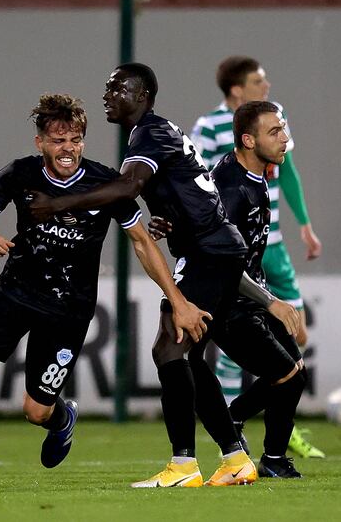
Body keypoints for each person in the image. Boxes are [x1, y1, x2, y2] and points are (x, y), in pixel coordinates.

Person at [0, 93, 210, 491]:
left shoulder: (107, 184)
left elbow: (141, 242)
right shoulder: (18, 174)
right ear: (40, 143)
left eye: (75, 140)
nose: (67, 149)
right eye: (57, 140)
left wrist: (179, 301)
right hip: (14, 293)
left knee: (35, 411)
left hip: (68, 311)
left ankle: (62, 418)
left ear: (83, 141)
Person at [27, 63, 299, 488]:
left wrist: (59, 205)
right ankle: (234, 459)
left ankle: (185, 466)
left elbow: (126, 188)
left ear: (141, 95)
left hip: (210, 254)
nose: (107, 94)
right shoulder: (154, 132)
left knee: (170, 351)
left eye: (116, 87)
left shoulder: (149, 133)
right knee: (185, 355)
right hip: (215, 251)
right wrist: (170, 218)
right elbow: (188, 187)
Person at [151, 101, 309, 478]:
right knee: (285, 376)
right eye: (275, 132)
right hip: (230, 300)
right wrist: (271, 302)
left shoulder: (252, 177)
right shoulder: (231, 188)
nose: (285, 138)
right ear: (248, 140)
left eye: (283, 129)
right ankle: (232, 449)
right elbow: (219, 257)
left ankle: (255, 446)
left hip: (248, 293)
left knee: (292, 375)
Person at [190, 56, 325, 459]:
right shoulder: (210, 131)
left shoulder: (273, 118)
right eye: (257, 80)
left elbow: (290, 172)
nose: (266, 86)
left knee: (293, 342)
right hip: (230, 250)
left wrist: (304, 222)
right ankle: (236, 437)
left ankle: (250, 419)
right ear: (236, 89)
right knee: (252, 350)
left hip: (272, 246)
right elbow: (197, 183)